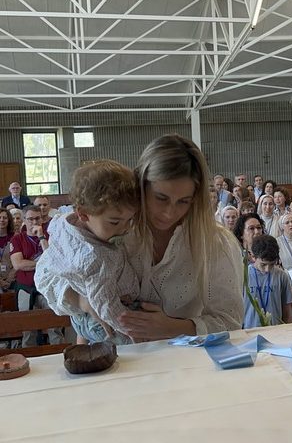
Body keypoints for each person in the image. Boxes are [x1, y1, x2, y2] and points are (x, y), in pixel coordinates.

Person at [37, 134, 245, 338]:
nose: (169, 213)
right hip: (115, 354)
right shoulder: (113, 225)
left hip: (182, 356)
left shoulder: (217, 242)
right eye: (161, 198)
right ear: (141, 186)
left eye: (183, 201)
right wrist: (83, 300)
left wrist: (173, 328)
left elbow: (230, 320)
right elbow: (46, 274)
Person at [35, 160, 140, 345]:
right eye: (115, 222)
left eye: (130, 220)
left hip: (84, 315)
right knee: (137, 349)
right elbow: (104, 303)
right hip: (103, 319)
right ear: (83, 214)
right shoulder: (94, 256)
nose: (125, 228)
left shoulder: (63, 222)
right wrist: (132, 332)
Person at [10, 205, 64, 347]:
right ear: (24, 220)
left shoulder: (50, 236)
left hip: (48, 288)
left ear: (42, 219)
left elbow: (54, 260)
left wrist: (41, 237)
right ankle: (29, 357)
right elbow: (18, 264)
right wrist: (44, 263)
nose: (34, 222)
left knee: (54, 327)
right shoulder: (17, 239)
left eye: (37, 218)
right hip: (26, 288)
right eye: (30, 219)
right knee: (28, 330)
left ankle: (59, 354)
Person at [243, 235, 292, 328]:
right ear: (253, 257)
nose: (267, 269)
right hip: (250, 330)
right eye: (263, 264)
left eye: (272, 264)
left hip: (276, 330)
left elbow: (287, 310)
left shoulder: (281, 276)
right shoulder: (243, 276)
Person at [0, 208, 15, 292]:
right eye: (0, 217)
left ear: (9, 220)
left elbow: (19, 260)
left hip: (12, 279)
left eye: (5, 218)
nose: (2, 220)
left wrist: (9, 279)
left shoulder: (16, 238)